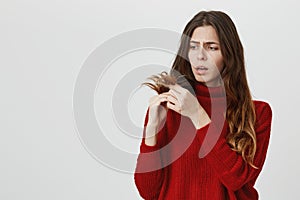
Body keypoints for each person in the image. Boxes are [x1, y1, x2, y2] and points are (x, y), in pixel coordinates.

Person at [134, 10, 272, 200]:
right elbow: (148, 193)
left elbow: (236, 180)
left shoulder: (258, 113)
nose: (200, 56)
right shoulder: (170, 105)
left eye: (212, 47)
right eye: (193, 47)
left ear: (229, 54)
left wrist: (197, 114)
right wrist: (151, 131)